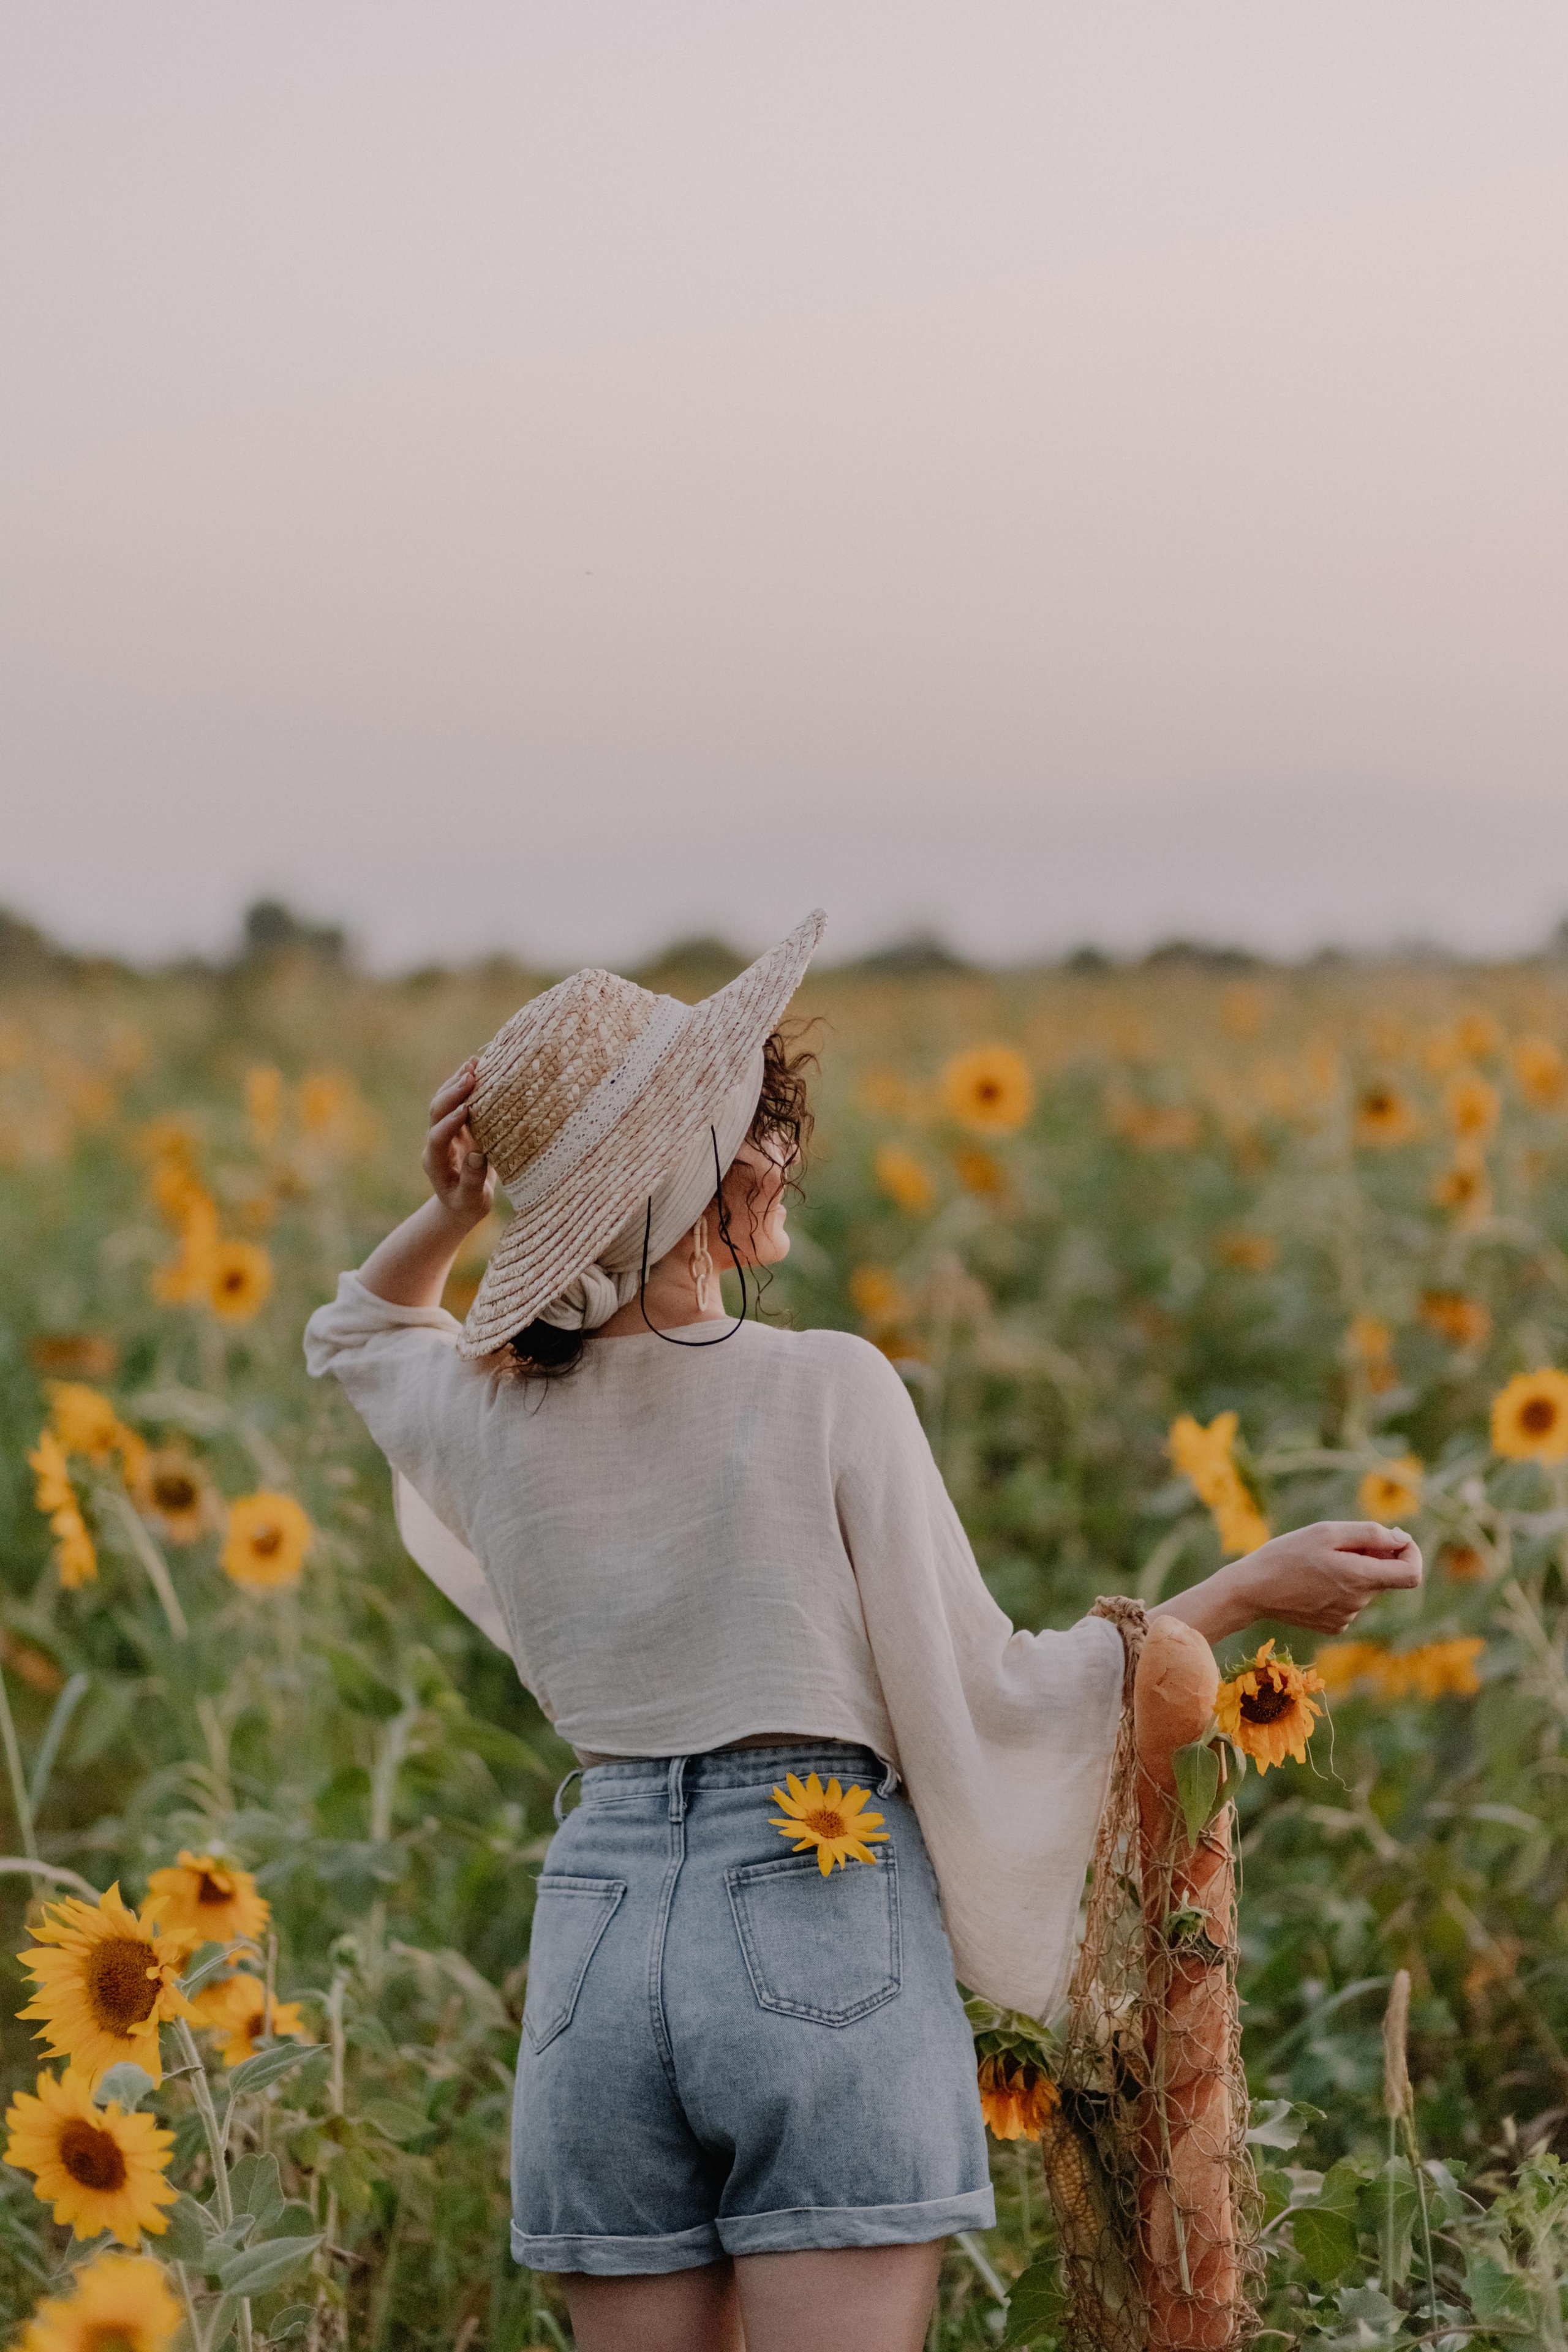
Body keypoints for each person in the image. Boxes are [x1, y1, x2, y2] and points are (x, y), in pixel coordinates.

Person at [304, 911, 1422, 2352]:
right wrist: (1245, 1588)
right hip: (815, 1907)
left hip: (590, 1924)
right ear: (696, 1173)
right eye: (747, 1128)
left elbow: (355, 1333)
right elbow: (998, 1694)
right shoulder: (827, 1386)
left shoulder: (490, 1411)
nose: (780, 1154)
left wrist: (458, 1207)